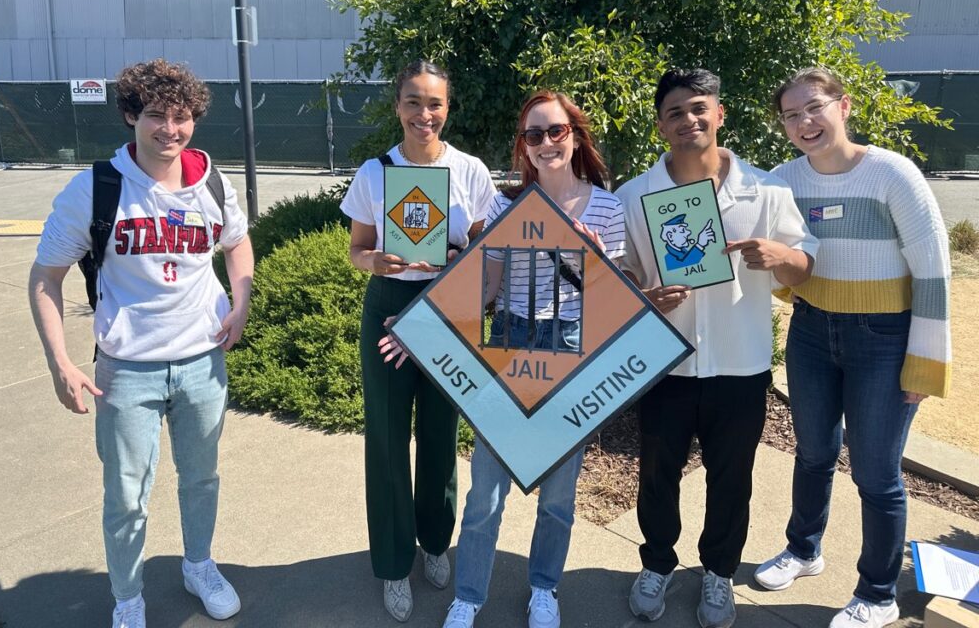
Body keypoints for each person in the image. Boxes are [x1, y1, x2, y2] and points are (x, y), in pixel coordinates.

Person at [27, 59, 254, 628]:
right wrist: (60, 362)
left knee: (201, 478)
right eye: (156, 115)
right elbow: (45, 277)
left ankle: (198, 566)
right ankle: (128, 598)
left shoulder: (215, 183)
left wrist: (241, 303)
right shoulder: (96, 189)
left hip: (203, 361)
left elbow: (238, 245)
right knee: (126, 496)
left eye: (181, 117)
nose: (169, 130)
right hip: (126, 370)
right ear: (130, 115)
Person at [410, 91, 626, 628]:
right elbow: (488, 289)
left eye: (556, 131)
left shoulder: (607, 207)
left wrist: (598, 263)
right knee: (486, 488)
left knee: (558, 491)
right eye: (534, 135)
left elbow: (616, 303)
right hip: (508, 338)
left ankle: (544, 589)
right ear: (522, 147)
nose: (546, 143)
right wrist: (425, 316)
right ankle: (469, 595)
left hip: (571, 344)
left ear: (575, 135)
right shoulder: (505, 209)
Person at [615, 68, 818, 628]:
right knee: (656, 474)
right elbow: (622, 274)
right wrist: (643, 295)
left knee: (732, 479)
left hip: (741, 363)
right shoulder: (635, 196)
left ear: (719, 114)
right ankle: (656, 564)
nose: (689, 120)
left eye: (699, 108)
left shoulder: (768, 190)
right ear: (660, 124)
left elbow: (804, 267)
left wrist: (782, 257)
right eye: (676, 111)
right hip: (667, 364)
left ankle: (719, 574)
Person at [754, 67, 952, 628]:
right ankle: (803, 550)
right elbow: (773, 263)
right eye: (791, 115)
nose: (803, 122)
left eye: (813, 107)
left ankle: (878, 591)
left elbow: (934, 272)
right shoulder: (783, 180)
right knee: (813, 452)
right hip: (812, 331)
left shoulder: (894, 174)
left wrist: (925, 362)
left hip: (884, 340)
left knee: (876, 473)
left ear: (844, 106)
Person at [340, 59, 496, 622]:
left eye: (434, 103)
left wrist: (458, 258)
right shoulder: (375, 172)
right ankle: (391, 563)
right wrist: (373, 259)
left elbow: (486, 250)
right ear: (397, 106)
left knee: (439, 430)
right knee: (385, 437)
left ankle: (434, 541)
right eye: (413, 101)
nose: (423, 114)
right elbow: (356, 249)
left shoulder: (471, 171)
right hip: (389, 304)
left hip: (448, 307)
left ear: (447, 109)